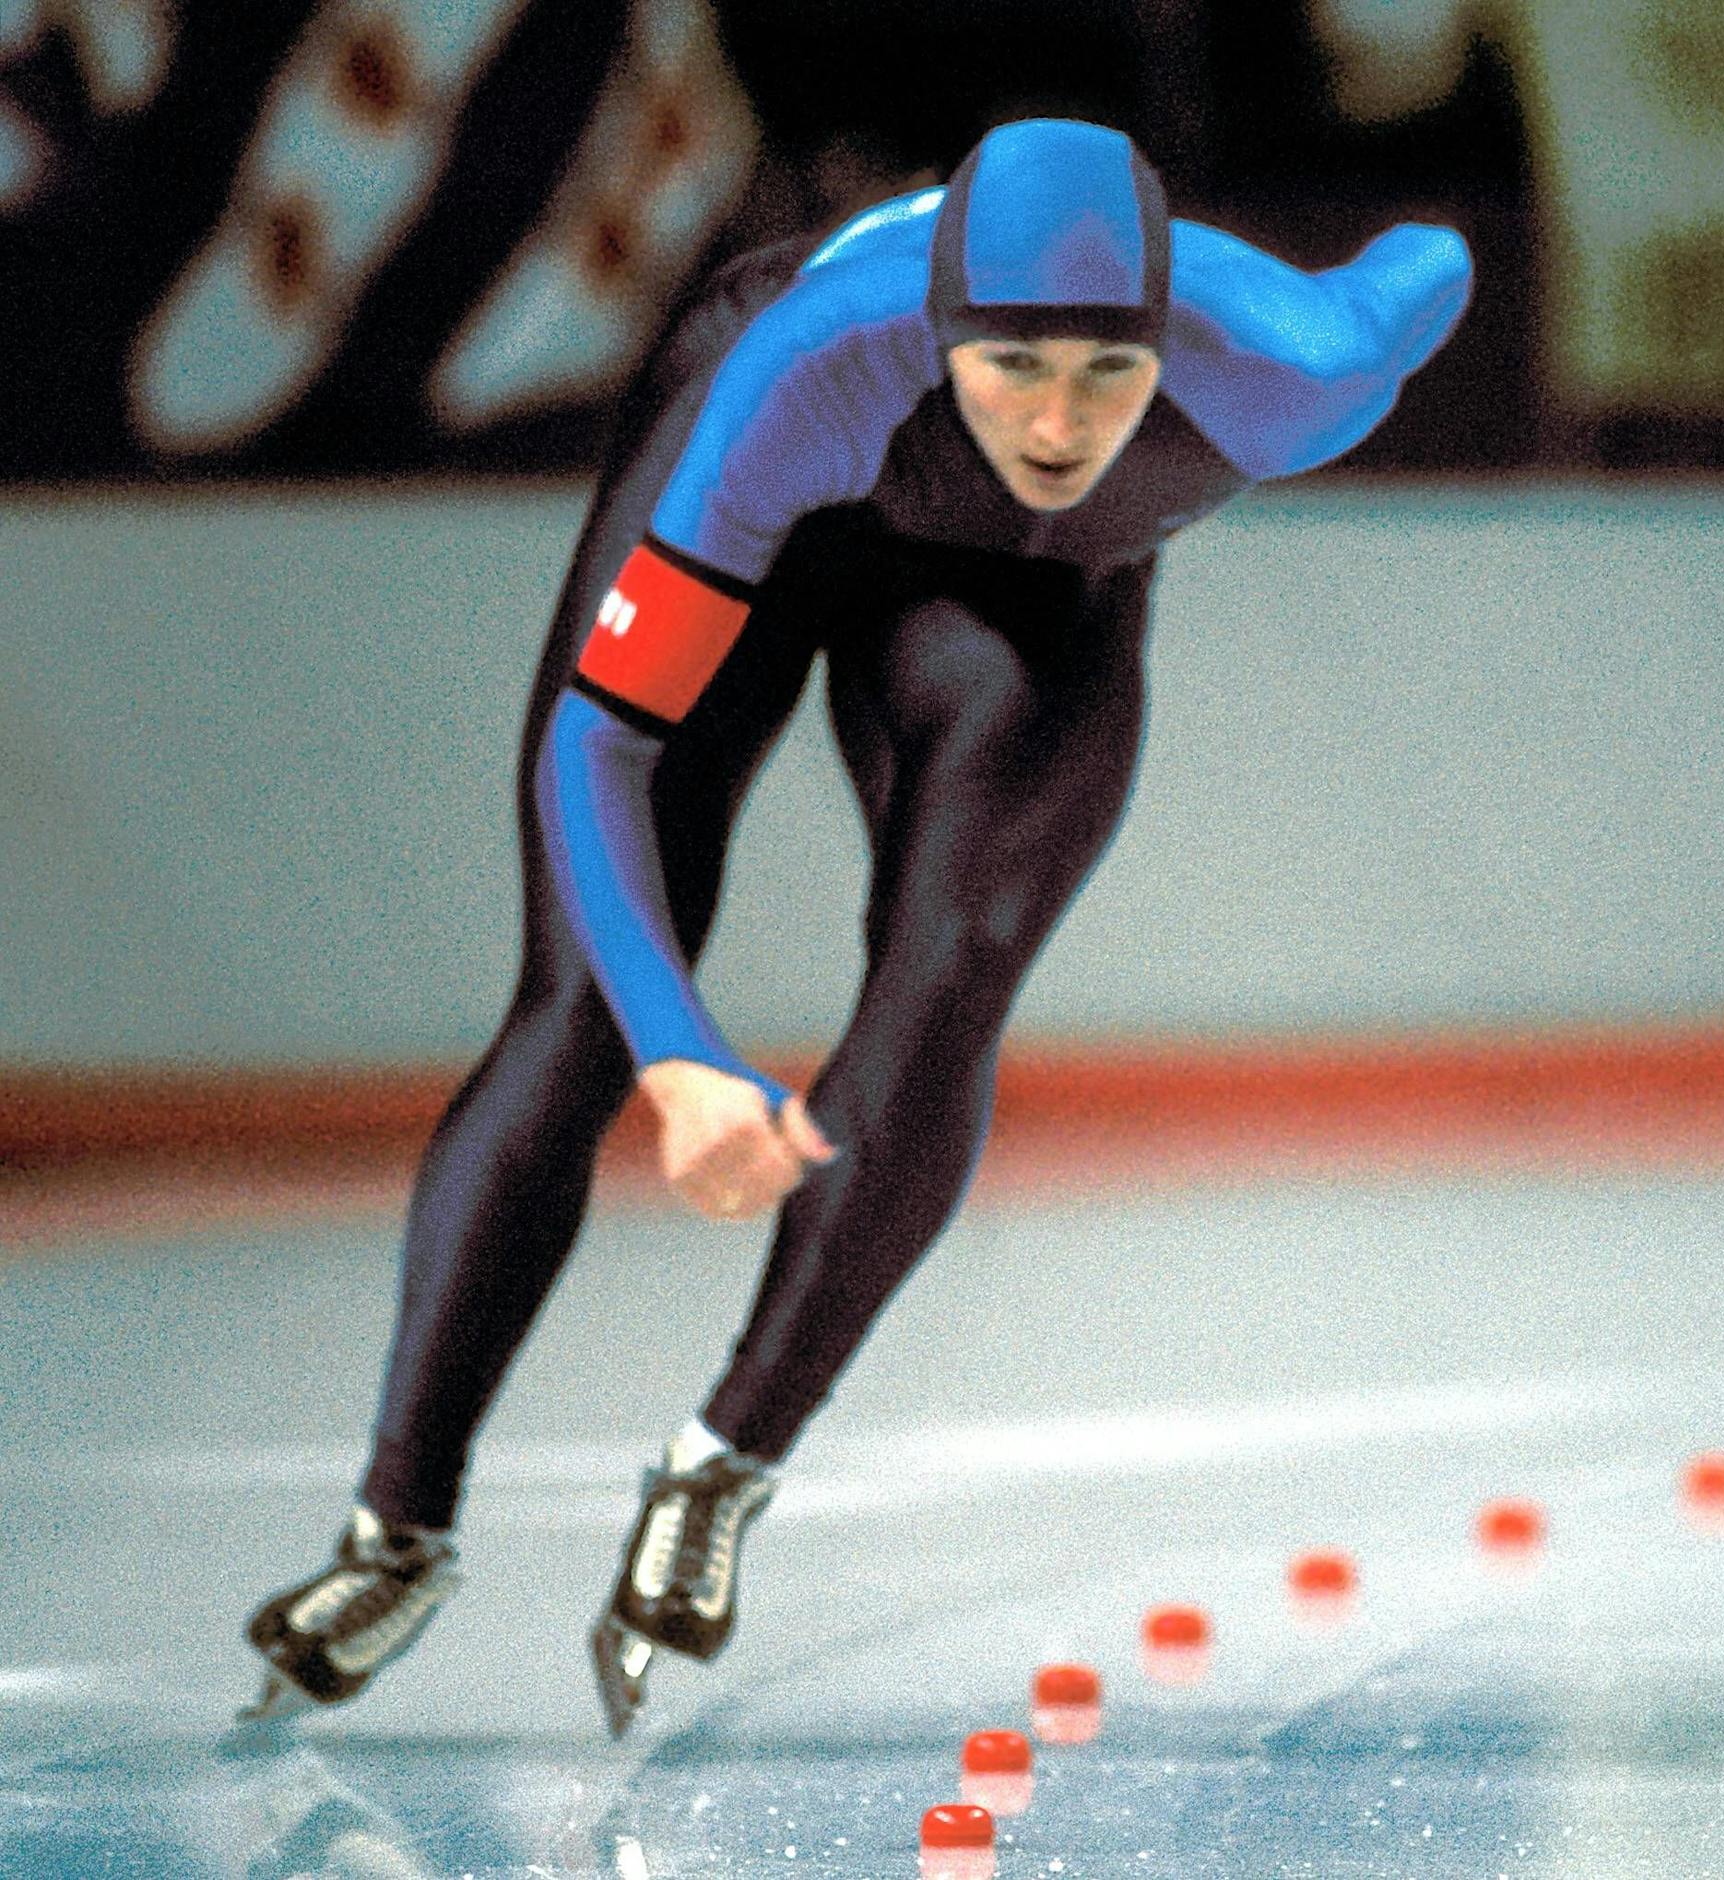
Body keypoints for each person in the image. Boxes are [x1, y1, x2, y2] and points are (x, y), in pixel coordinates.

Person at [241, 117, 1472, 1733]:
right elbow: (599, 749)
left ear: (1170, 337)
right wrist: (684, 1059)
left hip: (1043, 594)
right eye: (1015, 363)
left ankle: (725, 1460)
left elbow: (1428, 263)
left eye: (1110, 372)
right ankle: (395, 1524)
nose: (1056, 419)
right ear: (942, 331)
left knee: (950, 975)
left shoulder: (1300, 365)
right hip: (792, 506)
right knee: (585, 1011)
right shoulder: (803, 367)